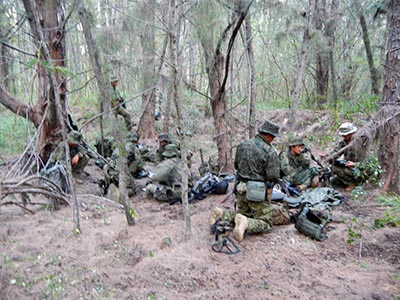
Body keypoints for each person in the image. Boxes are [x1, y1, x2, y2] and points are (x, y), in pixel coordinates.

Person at [209, 120, 288, 242]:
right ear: (268, 136)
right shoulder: (269, 151)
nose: (273, 140)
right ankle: (247, 224)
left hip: (241, 189)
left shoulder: (242, 145)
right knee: (266, 223)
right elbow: (273, 175)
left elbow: (236, 166)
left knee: (243, 214)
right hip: (257, 191)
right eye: (273, 137)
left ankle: (222, 214)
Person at [327, 122, 365, 192]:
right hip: (347, 165)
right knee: (333, 167)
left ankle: (352, 183)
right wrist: (327, 157)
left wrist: (354, 164)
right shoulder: (343, 142)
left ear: (351, 133)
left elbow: (366, 163)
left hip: (358, 168)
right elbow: (336, 152)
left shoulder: (359, 143)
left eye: (346, 135)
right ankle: (347, 180)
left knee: (345, 171)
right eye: (343, 135)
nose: (344, 137)